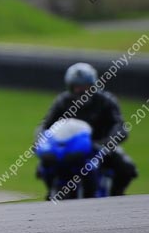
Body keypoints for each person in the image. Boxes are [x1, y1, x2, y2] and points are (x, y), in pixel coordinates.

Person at [37, 62, 137, 197]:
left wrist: (108, 142)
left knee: (126, 168)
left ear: (93, 85)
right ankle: (52, 193)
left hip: (100, 146)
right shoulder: (62, 101)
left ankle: (116, 196)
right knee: (45, 165)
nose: (81, 90)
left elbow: (119, 125)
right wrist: (41, 139)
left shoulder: (106, 101)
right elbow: (46, 124)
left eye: (85, 86)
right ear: (70, 87)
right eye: (76, 86)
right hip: (71, 148)